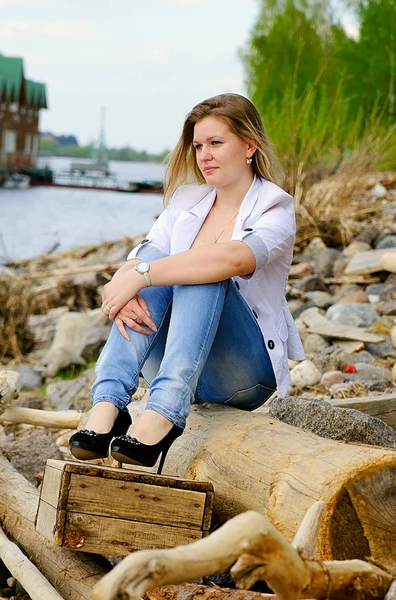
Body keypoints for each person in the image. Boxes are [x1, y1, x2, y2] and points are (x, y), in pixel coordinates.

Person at [69, 93, 305, 473]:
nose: (204, 155)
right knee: (157, 265)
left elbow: (234, 259)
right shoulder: (186, 202)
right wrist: (126, 281)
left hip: (242, 374)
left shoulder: (275, 208)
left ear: (250, 145)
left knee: (203, 269)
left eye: (216, 143)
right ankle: (108, 405)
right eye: (198, 145)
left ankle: (164, 411)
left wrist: (140, 276)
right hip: (179, 360)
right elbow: (144, 255)